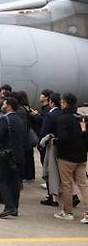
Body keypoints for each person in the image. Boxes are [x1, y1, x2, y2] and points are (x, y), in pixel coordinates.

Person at [51, 93, 88, 223]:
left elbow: (63, 138)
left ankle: (67, 211)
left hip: (67, 157)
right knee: (83, 185)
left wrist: (54, 142)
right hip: (82, 156)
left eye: (62, 102)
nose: (60, 104)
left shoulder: (62, 119)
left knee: (67, 185)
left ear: (65, 103)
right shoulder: (81, 118)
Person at [0, 97, 25, 219]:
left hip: (5, 154)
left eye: (4, 104)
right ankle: (14, 207)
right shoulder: (19, 119)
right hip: (18, 154)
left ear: (9, 106)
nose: (3, 106)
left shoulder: (5, 119)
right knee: (14, 181)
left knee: (1, 179)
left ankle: (9, 206)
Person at [39, 93, 62, 206]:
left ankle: (53, 197)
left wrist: (41, 144)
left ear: (51, 102)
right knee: (62, 173)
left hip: (51, 146)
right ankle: (73, 196)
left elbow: (44, 132)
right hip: (62, 146)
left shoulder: (50, 115)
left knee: (50, 172)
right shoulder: (63, 113)